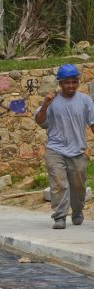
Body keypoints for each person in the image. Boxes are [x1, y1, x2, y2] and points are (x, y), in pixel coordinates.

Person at [34, 63, 94, 229]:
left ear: (78, 82)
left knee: (79, 186)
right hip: (55, 150)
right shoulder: (51, 101)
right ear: (60, 83)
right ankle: (59, 217)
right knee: (59, 184)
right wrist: (45, 105)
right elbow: (40, 121)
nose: (71, 85)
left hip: (78, 151)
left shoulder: (85, 101)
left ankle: (77, 210)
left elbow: (93, 123)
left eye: (74, 82)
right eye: (67, 82)